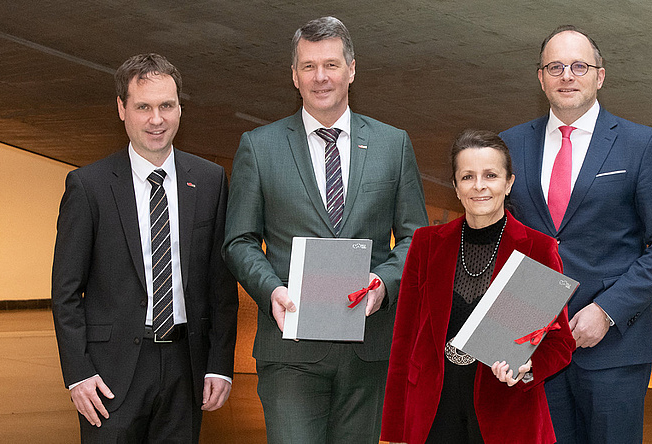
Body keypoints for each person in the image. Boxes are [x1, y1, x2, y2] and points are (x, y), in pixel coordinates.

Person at [222, 16, 428, 444]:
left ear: (352, 69)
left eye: (331, 65)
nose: (321, 77)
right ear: (294, 76)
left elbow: (415, 238)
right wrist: (271, 291)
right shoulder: (258, 147)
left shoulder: (394, 144)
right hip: (289, 348)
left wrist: (383, 285)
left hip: (368, 350)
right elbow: (239, 241)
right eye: (309, 66)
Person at [500, 25, 652, 443]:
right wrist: (501, 334)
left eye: (579, 66)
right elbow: (505, 240)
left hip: (613, 351)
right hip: (534, 346)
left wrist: (606, 311)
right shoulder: (510, 145)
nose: (567, 76)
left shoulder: (641, 145)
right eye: (555, 67)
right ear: (541, 78)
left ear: (599, 76)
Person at [51, 53, 238, 443]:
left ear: (180, 108)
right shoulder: (89, 186)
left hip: (186, 368)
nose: (157, 119)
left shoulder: (209, 180)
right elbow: (66, 293)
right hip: (109, 375)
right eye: (144, 107)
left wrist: (219, 365)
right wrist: (78, 374)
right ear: (122, 109)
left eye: (167, 106)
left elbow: (221, 286)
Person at [381, 129, 575, 444]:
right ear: (456, 186)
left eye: (491, 175)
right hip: (432, 414)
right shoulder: (426, 243)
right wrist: (397, 429)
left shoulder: (538, 249)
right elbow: (403, 339)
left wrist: (526, 369)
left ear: (508, 183)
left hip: (506, 413)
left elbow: (560, 343)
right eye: (468, 176)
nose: (479, 186)